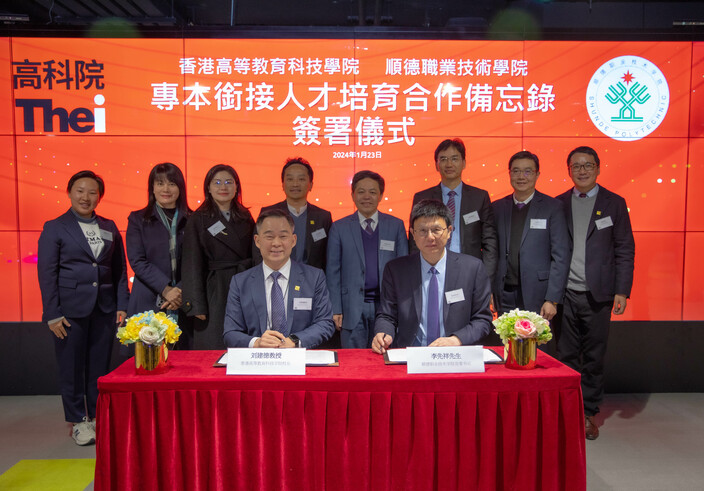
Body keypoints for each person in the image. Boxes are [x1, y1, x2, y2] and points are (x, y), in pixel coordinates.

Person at [37, 170, 129, 446]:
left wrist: (121, 304)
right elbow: (47, 273)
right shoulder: (55, 227)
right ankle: (78, 421)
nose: (86, 197)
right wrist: (52, 314)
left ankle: (98, 417)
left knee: (99, 367)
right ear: (69, 193)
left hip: (103, 308)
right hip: (68, 312)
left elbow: (119, 270)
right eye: (80, 191)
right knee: (71, 367)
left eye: (92, 192)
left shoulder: (109, 226)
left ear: (99, 196)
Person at [555, 146, 635, 440]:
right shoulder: (558, 204)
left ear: (598, 168)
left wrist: (622, 291)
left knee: (594, 357)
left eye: (588, 165)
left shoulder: (614, 203)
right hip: (564, 294)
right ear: (569, 170)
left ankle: (588, 413)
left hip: (599, 295)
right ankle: (566, 411)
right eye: (576, 166)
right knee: (565, 357)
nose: (582, 170)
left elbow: (625, 249)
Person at [372, 199, 492, 353]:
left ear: (449, 231)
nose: (430, 237)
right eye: (422, 231)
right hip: (411, 354)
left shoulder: (472, 269)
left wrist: (456, 340)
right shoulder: (396, 270)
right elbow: (387, 315)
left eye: (436, 230)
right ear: (413, 234)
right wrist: (383, 333)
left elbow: (482, 320)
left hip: (456, 354)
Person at [223, 209, 334, 348]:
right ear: (257, 241)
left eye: (283, 236)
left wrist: (294, 341)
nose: (276, 243)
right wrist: (257, 343)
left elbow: (325, 323)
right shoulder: (240, 282)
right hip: (258, 360)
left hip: (299, 358)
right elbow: (230, 332)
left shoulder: (314, 277)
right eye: (269, 237)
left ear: (293, 240)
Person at [326, 170, 408, 349]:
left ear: (381, 195)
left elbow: (404, 270)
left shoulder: (396, 225)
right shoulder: (339, 228)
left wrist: (402, 306)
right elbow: (333, 271)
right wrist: (336, 308)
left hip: (386, 307)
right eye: (361, 191)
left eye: (372, 192)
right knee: (352, 363)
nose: (366, 197)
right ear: (352, 195)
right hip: (351, 307)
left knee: (385, 359)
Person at [182, 164, 255, 350]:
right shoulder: (198, 218)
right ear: (208, 187)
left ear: (237, 187)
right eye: (218, 182)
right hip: (213, 289)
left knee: (243, 343)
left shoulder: (245, 216)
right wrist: (195, 305)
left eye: (229, 182)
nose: (224, 187)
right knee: (214, 343)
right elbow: (192, 263)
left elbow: (255, 255)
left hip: (243, 284)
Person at [491, 151, 570, 319]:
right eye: (516, 171)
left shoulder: (552, 207)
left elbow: (560, 256)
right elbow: (491, 252)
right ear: (509, 173)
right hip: (503, 293)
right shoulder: (497, 208)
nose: (521, 176)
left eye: (528, 171)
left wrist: (552, 299)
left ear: (537, 174)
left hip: (539, 294)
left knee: (536, 343)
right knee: (507, 342)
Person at [410, 138, 499, 283]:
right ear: (436, 165)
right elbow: (415, 241)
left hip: (470, 271)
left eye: (454, 159)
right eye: (443, 159)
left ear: (464, 163)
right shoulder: (422, 197)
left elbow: (490, 242)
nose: (449, 164)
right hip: (431, 269)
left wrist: (486, 279)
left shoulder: (479, 197)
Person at [126, 162, 193, 347]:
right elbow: (138, 261)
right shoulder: (137, 219)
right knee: (148, 366)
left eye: (172, 183)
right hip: (148, 299)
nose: (166, 189)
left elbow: (196, 262)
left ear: (180, 188)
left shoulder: (193, 219)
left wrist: (179, 291)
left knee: (184, 366)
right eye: (160, 183)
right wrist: (166, 289)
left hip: (184, 301)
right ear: (152, 187)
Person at [254, 157, 332, 271]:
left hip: (312, 281)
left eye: (301, 179)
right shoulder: (267, 213)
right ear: (283, 184)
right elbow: (257, 252)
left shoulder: (323, 217)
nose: (295, 184)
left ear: (311, 185)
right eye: (290, 179)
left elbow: (328, 256)